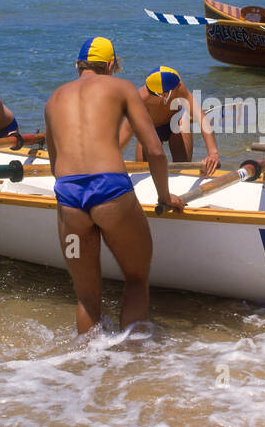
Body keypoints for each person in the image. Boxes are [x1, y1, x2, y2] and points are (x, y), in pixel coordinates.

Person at [44, 37, 185, 335]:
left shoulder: (54, 98)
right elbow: (155, 151)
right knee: (135, 279)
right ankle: (131, 364)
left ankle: (87, 367)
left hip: (69, 197)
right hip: (110, 190)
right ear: (111, 65)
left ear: (79, 65)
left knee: (86, 295)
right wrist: (164, 197)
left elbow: (55, 165)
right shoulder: (121, 88)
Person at [118, 67, 220, 175]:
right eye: (177, 85)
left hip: (175, 125)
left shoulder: (178, 87)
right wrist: (109, 160)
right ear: (165, 93)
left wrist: (213, 153)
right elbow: (127, 130)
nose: (180, 85)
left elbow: (201, 117)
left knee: (182, 172)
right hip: (151, 129)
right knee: (142, 173)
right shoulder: (141, 98)